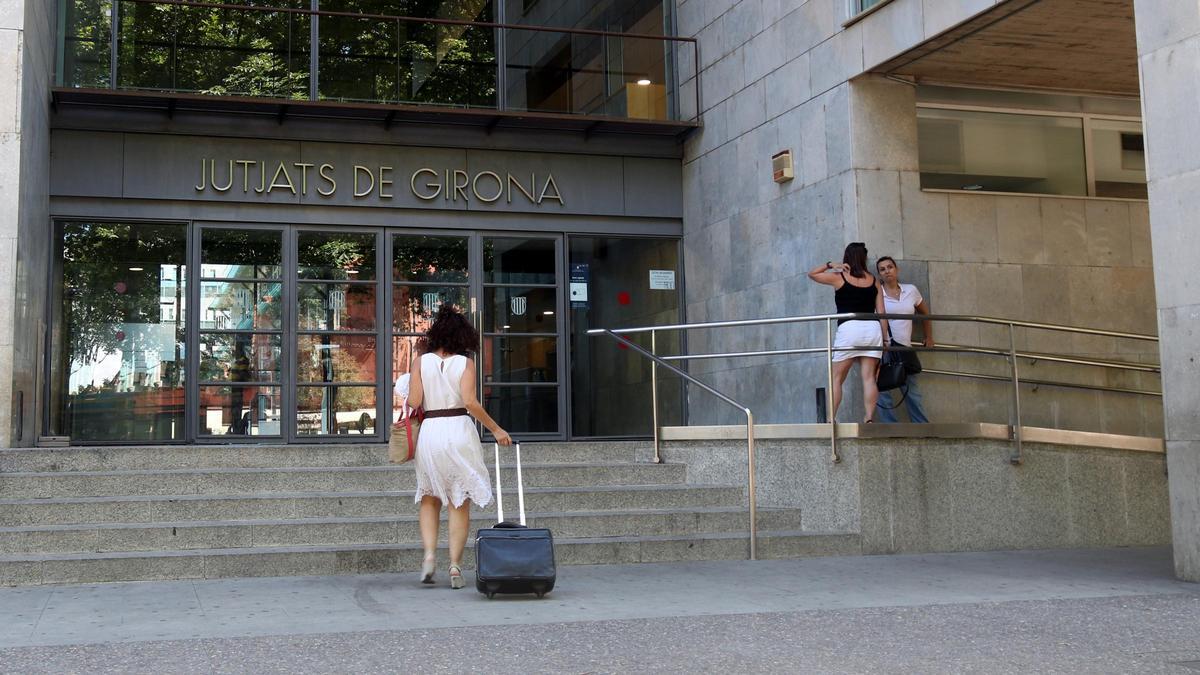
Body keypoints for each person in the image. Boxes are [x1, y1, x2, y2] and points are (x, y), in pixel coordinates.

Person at [403, 305, 513, 589]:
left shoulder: (420, 362)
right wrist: (497, 429)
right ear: (463, 337)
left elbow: (414, 402)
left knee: (429, 497)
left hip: (430, 431)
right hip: (458, 430)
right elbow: (470, 403)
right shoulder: (465, 364)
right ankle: (454, 567)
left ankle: (429, 557)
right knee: (459, 500)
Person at [807, 242, 889, 423]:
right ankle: (868, 418)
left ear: (847, 257)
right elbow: (882, 313)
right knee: (869, 378)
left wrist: (830, 265)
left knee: (836, 378)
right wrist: (885, 339)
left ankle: (830, 419)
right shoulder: (875, 281)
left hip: (849, 328)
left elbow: (812, 274)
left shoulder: (839, 277)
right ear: (864, 258)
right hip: (872, 328)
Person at [875, 256, 933, 423]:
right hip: (882, 347)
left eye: (890, 267)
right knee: (882, 390)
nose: (887, 271)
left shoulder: (911, 290)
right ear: (879, 274)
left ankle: (922, 426)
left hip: (904, 348)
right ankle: (890, 427)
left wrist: (928, 336)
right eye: (882, 269)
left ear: (896, 269)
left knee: (911, 390)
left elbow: (925, 313)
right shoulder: (878, 294)